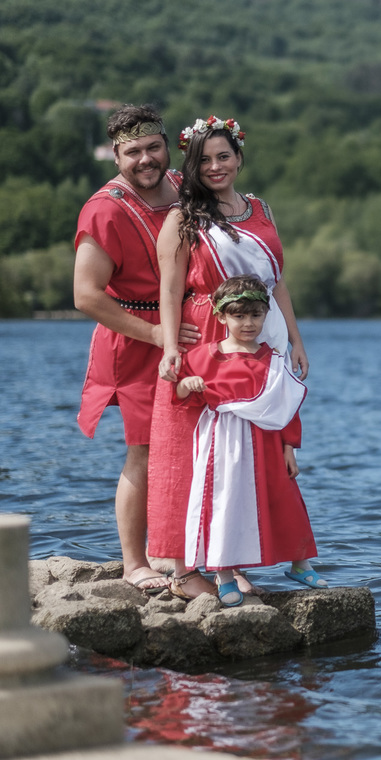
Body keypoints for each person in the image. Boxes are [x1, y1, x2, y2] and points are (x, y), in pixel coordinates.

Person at [148, 114, 309, 600]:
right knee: (192, 448)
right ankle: (183, 567)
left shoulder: (261, 208)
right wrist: (170, 346)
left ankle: (233, 557)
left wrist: (296, 339)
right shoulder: (184, 218)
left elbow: (276, 280)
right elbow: (170, 288)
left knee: (252, 451)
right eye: (205, 160)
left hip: (260, 332)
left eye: (224, 156)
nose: (216, 166)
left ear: (239, 157)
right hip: (206, 335)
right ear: (192, 166)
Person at [73, 104, 201, 592]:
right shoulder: (103, 209)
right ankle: (134, 563)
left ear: (167, 147)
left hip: (188, 330)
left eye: (153, 147)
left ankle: (180, 554)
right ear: (115, 156)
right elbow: (86, 296)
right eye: (133, 152)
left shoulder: (186, 189)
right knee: (145, 450)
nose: (145, 159)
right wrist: (155, 335)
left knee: (198, 445)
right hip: (135, 335)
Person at [172, 274, 323, 607]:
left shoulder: (273, 359)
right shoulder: (203, 356)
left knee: (285, 499)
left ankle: (301, 564)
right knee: (224, 504)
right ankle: (224, 575)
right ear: (221, 317)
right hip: (222, 443)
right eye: (239, 316)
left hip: (266, 441)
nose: (248, 323)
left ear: (266, 315)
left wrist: (289, 447)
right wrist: (187, 384)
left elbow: (286, 406)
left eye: (255, 315)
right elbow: (180, 395)